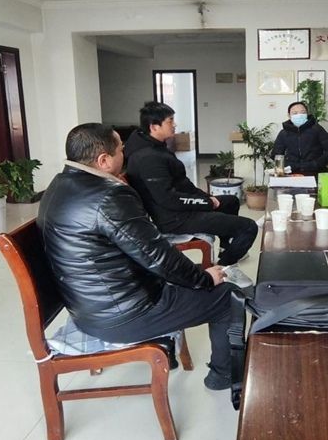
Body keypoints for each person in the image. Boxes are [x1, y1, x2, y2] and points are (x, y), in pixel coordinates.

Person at [37, 123, 233, 390]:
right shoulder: (109, 196)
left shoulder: (58, 185)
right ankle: (223, 376)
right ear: (104, 161)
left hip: (89, 309)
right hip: (123, 316)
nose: (125, 154)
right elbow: (156, 256)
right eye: (120, 149)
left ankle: (177, 354)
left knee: (185, 275)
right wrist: (204, 279)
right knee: (227, 297)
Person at [125, 101, 258, 266]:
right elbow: (167, 198)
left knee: (231, 202)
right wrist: (206, 202)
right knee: (248, 227)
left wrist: (206, 198)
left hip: (179, 209)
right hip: (174, 219)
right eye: (170, 121)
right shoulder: (148, 158)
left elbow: (183, 184)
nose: (175, 125)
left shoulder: (156, 147)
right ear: (154, 127)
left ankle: (226, 248)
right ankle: (223, 268)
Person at [271, 101, 328, 175]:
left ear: (307, 114)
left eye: (303, 112)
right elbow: (276, 155)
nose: (299, 115)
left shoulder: (317, 129)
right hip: (291, 172)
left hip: (315, 170)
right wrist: (289, 165)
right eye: (295, 113)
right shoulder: (284, 133)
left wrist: (316, 163)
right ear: (289, 115)